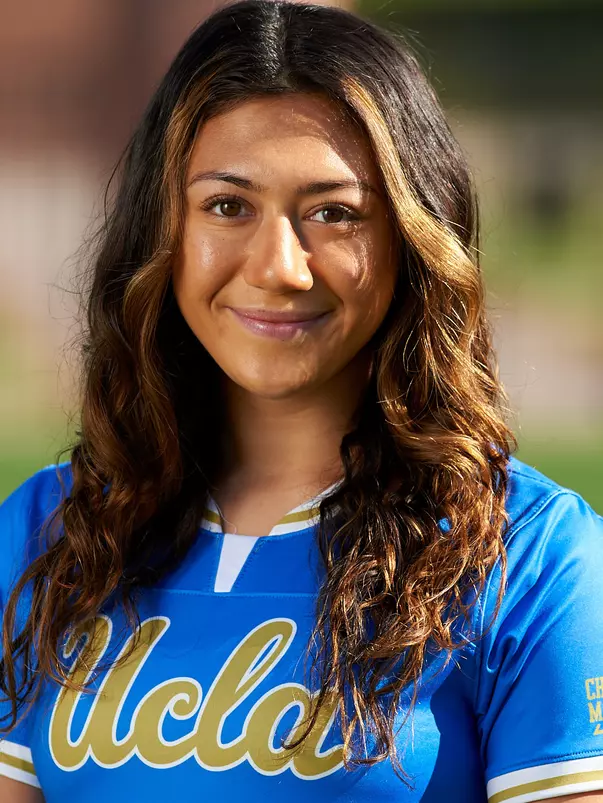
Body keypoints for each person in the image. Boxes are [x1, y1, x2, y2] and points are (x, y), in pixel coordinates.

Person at [1, 1, 602, 800]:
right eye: (227, 205)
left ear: (412, 238)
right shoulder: (49, 534)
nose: (279, 265)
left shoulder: (529, 555)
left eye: (334, 213)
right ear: (162, 231)